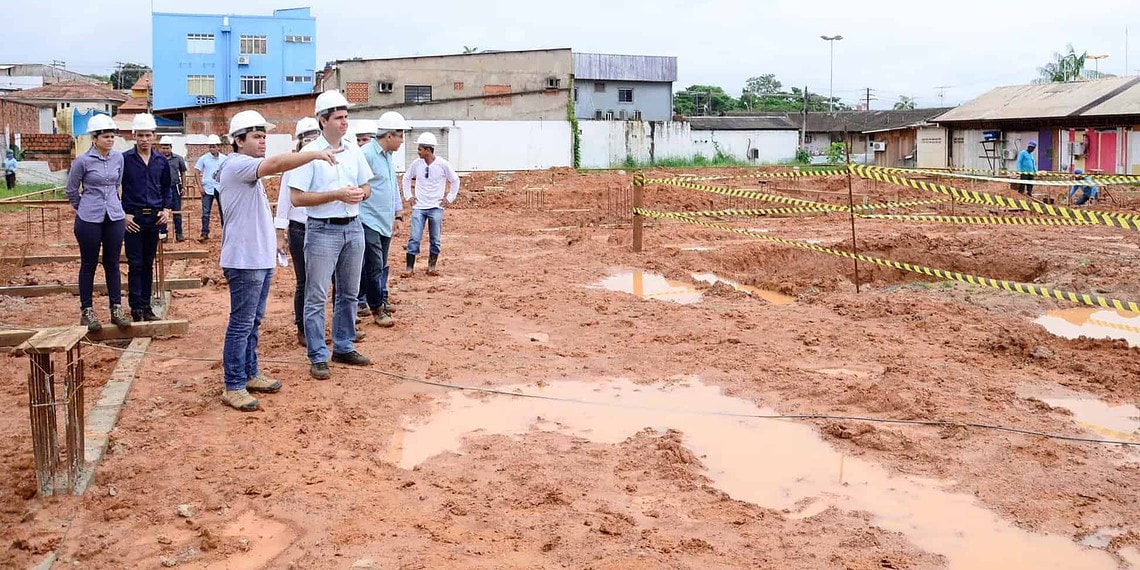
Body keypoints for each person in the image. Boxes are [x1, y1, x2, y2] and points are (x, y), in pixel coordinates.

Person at [217, 110, 344, 411]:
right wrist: (315, 154)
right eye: (256, 136)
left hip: (257, 259)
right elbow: (276, 164)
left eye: (264, 136)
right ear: (238, 141)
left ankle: (249, 372)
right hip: (244, 260)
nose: (263, 141)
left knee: (253, 321)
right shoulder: (237, 165)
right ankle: (233, 384)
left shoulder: (247, 170)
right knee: (241, 323)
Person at [288, 90, 374, 380]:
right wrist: (335, 195)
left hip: (353, 227)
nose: (344, 122)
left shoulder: (353, 150)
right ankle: (317, 354)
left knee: (349, 292)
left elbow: (367, 185)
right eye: (338, 117)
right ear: (323, 121)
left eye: (346, 117)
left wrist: (361, 194)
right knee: (316, 295)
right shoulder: (310, 154)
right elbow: (297, 198)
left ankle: (343, 345)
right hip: (322, 229)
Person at [65, 114, 131, 331]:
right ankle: (87, 310)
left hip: (114, 216)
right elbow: (71, 189)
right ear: (94, 138)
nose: (110, 140)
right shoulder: (82, 161)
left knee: (113, 263)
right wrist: (83, 206)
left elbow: (117, 183)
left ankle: (116, 308)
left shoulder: (118, 158)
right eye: (105, 136)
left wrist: (114, 205)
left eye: (112, 136)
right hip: (89, 219)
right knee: (89, 264)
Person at [359, 111, 408, 328]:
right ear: (389, 136)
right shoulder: (366, 154)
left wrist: (398, 214)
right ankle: (377, 308)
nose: (402, 140)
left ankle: (374, 299)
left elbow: (392, 186)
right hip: (367, 219)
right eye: (400, 135)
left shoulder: (388, 156)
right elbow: (355, 182)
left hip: (384, 221)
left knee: (380, 265)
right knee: (374, 265)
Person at [274, 117, 321, 346]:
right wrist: (279, 235)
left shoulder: (325, 163)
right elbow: (284, 201)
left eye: (315, 138)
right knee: (304, 281)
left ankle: (323, 326)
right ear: (300, 142)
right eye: (307, 139)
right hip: (299, 229)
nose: (311, 143)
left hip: (323, 228)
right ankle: (303, 328)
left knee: (323, 282)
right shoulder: (292, 167)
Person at [121, 113, 171, 323]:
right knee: (135, 264)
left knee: (148, 263)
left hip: (154, 219)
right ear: (134, 136)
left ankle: (146, 306)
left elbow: (167, 188)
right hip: (133, 219)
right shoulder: (125, 160)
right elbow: (113, 187)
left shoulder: (161, 161)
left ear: (154, 136)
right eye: (140, 135)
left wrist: (166, 209)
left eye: (148, 135)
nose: (144, 139)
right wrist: (123, 215)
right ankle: (136, 308)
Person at [402, 132, 459, 276]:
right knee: (414, 237)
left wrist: (449, 198)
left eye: (420, 149)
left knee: (435, 239)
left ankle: (431, 267)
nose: (418, 152)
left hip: (436, 207)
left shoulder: (443, 164)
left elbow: (455, 180)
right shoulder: (416, 164)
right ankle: (409, 268)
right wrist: (409, 196)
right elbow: (406, 178)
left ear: (428, 150)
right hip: (419, 207)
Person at [195, 134, 226, 241]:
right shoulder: (203, 158)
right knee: (205, 213)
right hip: (207, 189)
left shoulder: (224, 159)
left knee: (223, 212)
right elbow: (197, 172)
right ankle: (204, 233)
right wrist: (200, 187)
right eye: (210, 146)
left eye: (214, 146)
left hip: (220, 189)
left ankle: (225, 233)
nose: (212, 148)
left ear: (218, 147)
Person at [158, 136, 188, 242]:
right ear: (160, 148)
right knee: (162, 211)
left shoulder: (178, 158)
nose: (165, 150)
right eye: (163, 148)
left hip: (175, 188)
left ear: (171, 148)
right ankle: (163, 234)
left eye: (167, 148)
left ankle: (179, 234)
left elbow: (183, 173)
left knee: (177, 211)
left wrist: (183, 186)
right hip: (161, 189)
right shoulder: (156, 159)